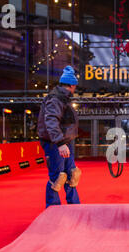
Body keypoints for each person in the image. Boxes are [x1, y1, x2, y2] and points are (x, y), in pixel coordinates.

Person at [37, 66, 81, 208]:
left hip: (64, 141)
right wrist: (60, 143)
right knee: (57, 176)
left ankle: (74, 205)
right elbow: (51, 121)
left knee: (72, 174)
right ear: (72, 85)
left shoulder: (63, 98)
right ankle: (53, 207)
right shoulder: (56, 99)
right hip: (55, 143)